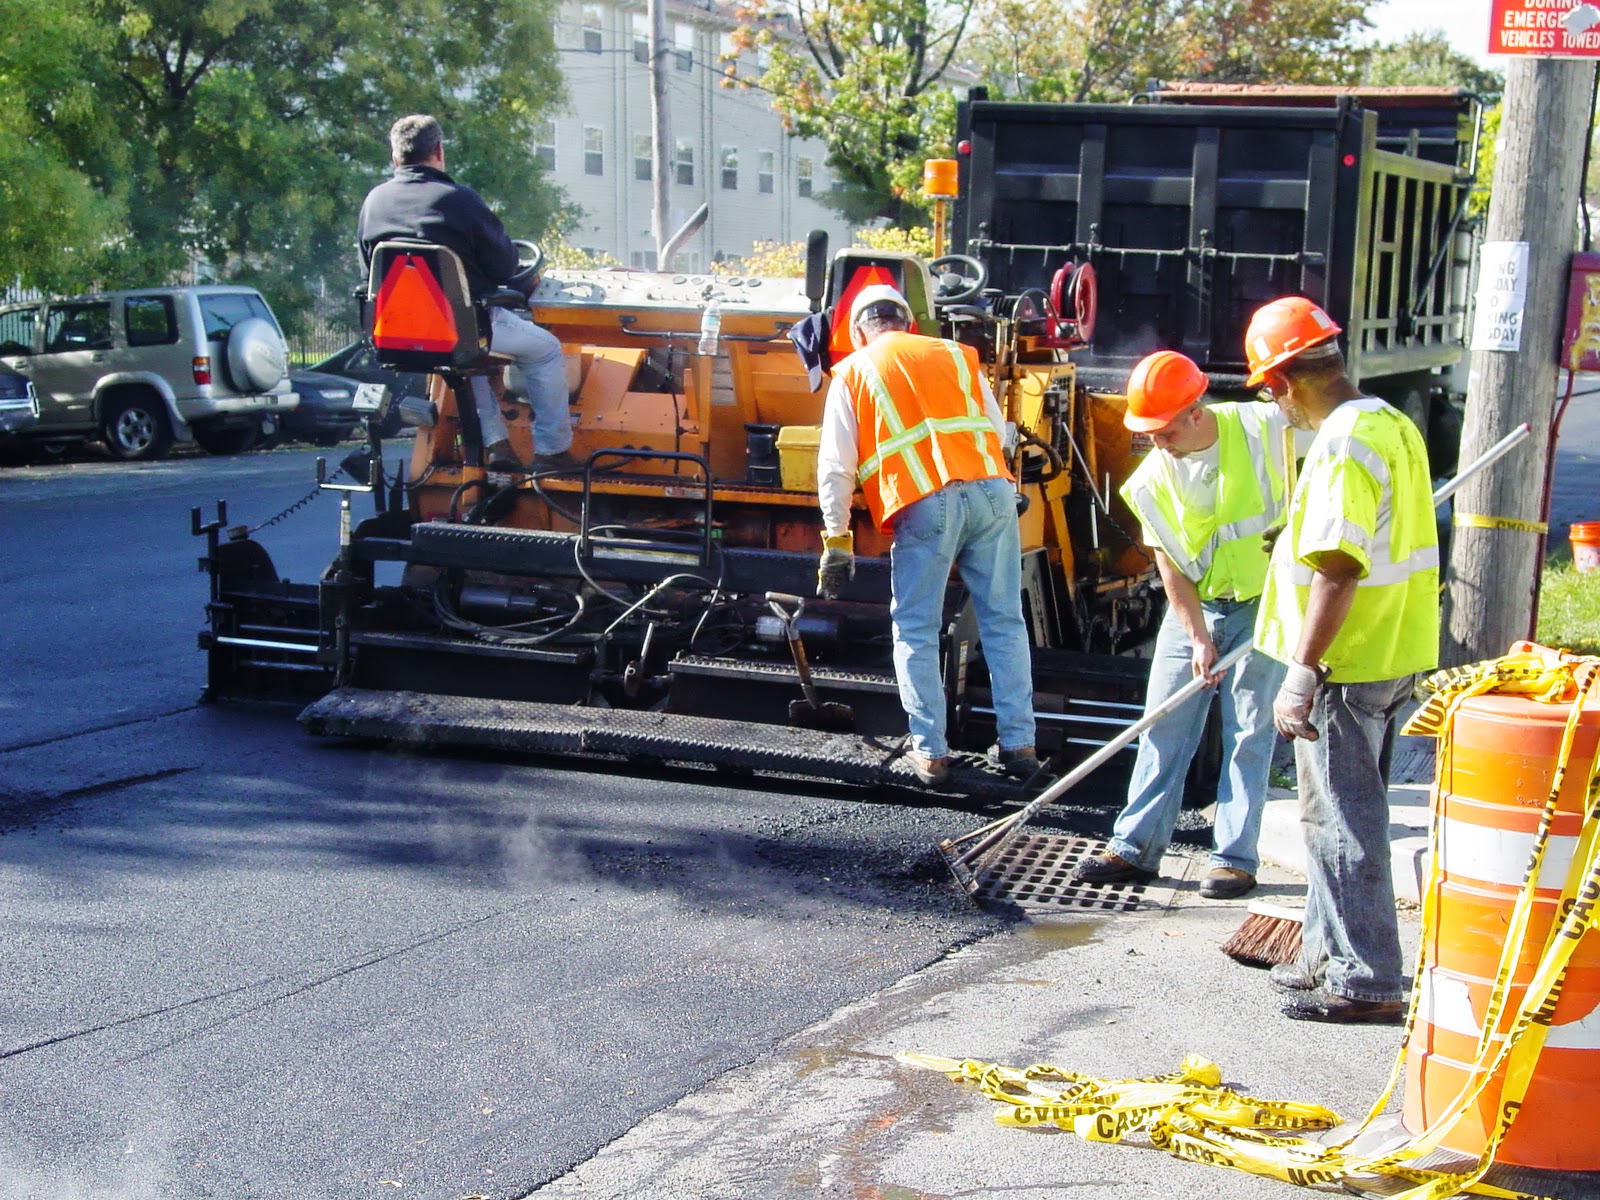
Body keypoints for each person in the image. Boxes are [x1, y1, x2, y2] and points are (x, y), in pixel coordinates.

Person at [1246, 296, 1438, 1025]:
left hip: (1345, 663)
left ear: (1281, 381)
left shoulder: (1341, 443)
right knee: (1335, 811)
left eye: (1269, 388)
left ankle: (1366, 979)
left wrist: (1301, 671)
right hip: (1392, 648)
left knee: (1342, 820)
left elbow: (1338, 565)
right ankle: (1324, 955)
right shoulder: (1389, 423)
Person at [1072, 351, 1291, 901]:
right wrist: (1196, 636)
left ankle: (1234, 859)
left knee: (1249, 731)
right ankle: (1134, 848)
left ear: (1196, 411)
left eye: (1164, 431)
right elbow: (1171, 566)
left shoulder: (1263, 426)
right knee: (1163, 722)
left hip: (1267, 603)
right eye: (1148, 433)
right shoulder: (1149, 483)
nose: (1156, 443)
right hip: (1197, 607)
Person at [814, 284, 1038, 786]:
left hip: (925, 502)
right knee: (1004, 622)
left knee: (915, 628)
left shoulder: (853, 370)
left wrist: (836, 539)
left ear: (858, 332)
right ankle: (1020, 746)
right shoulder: (958, 355)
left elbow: (835, 467)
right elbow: (998, 429)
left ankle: (931, 754)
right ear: (909, 324)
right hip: (993, 495)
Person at [357, 114, 575, 473]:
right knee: (545, 350)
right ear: (439, 151)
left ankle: (496, 443)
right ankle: (552, 450)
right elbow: (505, 267)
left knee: (467, 359)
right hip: (460, 329)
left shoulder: (374, 202)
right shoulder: (459, 200)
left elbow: (370, 275)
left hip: (395, 333)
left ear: (395, 157)